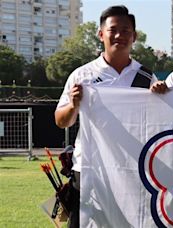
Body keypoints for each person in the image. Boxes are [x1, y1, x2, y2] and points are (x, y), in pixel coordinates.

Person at [54, 5, 157, 227]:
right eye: (113, 30)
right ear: (101, 34)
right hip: (91, 168)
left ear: (134, 36)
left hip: (133, 169)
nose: (120, 35)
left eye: (126, 30)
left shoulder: (146, 78)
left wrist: (162, 96)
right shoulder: (82, 75)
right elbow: (62, 121)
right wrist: (73, 105)